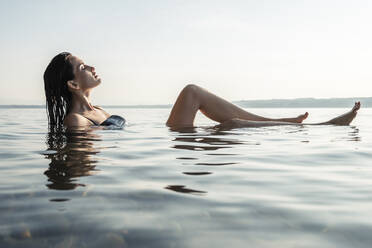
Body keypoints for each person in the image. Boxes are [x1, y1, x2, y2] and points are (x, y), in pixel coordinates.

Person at [44, 52, 360, 130]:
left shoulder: (96, 111)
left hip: (161, 135)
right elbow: (88, 166)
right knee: (206, 103)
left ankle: (288, 124)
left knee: (202, 99)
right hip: (167, 139)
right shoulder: (77, 121)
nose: (92, 67)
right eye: (83, 67)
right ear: (73, 84)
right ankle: (302, 125)